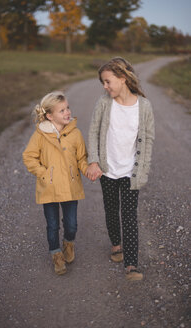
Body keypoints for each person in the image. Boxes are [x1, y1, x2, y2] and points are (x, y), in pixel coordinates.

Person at [86, 57, 155, 281]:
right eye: (103, 83)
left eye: (108, 82)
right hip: (107, 169)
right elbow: (93, 132)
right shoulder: (104, 103)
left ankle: (131, 265)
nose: (105, 87)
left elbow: (148, 139)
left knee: (129, 215)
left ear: (123, 79)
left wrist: (142, 170)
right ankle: (116, 244)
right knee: (111, 210)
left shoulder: (143, 106)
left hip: (129, 171)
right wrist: (94, 161)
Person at [23, 91, 88, 275]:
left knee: (72, 224)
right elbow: (29, 156)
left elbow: (81, 157)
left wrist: (87, 169)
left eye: (67, 108)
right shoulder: (40, 135)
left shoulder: (75, 134)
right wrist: (43, 173)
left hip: (70, 186)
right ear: (49, 115)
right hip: (49, 187)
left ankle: (68, 242)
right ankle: (56, 254)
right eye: (62, 110)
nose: (67, 112)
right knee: (52, 224)